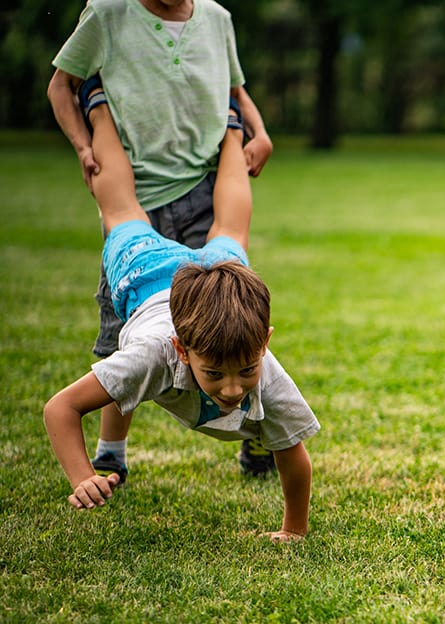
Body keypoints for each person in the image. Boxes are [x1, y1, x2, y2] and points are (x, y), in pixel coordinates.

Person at [43, 84, 317, 542]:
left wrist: (294, 531)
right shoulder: (154, 353)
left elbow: (294, 454)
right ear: (181, 350)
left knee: (232, 228)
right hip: (145, 275)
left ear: (265, 340)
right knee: (120, 208)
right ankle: (100, 108)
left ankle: (231, 128)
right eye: (215, 374)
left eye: (245, 370)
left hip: (214, 277)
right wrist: (80, 475)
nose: (233, 388)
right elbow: (61, 409)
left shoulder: (264, 368)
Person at [47, 0, 277, 479]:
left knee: (232, 324)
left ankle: (260, 437)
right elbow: (59, 85)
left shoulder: (217, 18)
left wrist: (256, 129)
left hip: (201, 186)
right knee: (122, 339)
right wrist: (84, 144)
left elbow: (235, 90)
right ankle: (112, 451)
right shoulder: (107, 14)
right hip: (137, 184)